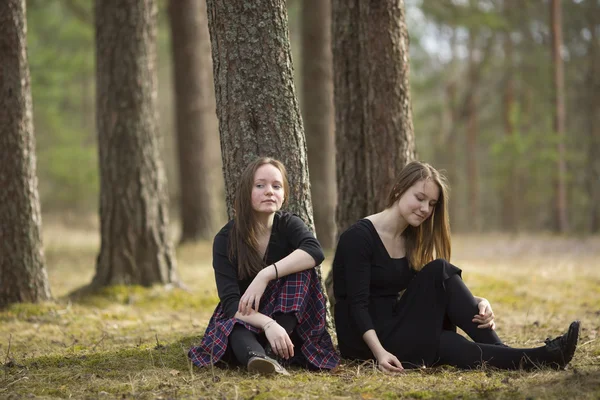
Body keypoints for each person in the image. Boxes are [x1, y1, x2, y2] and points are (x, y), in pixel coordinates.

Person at [332, 161, 580, 372]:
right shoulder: (359, 238)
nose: (425, 209)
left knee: (447, 332)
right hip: (366, 339)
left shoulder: (409, 238)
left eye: (432, 204)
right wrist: (380, 353)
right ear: (398, 190)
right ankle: (544, 357)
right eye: (420, 198)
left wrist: (479, 301)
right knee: (445, 334)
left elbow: (430, 288)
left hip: (396, 323)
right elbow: (357, 305)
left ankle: (529, 356)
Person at [189, 157, 339, 375]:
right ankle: (258, 359)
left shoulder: (288, 224)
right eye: (260, 185)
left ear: (284, 194)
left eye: (276, 186)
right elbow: (231, 305)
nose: (269, 191)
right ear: (245, 193)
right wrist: (268, 325)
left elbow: (314, 251)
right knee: (233, 327)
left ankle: (272, 353)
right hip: (245, 315)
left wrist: (265, 275)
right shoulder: (225, 239)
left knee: (302, 271)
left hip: (288, 318)